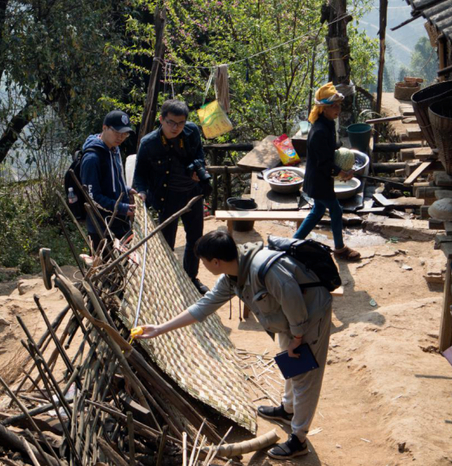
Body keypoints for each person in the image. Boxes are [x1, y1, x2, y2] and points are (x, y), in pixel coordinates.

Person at [136, 230, 332, 460]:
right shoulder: (232, 276)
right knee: (292, 364)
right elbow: (204, 306)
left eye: (203, 261)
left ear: (215, 262)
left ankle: (299, 439)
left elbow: (294, 301)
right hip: (289, 320)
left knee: (304, 377)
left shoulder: (264, 269)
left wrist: (297, 338)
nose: (203, 265)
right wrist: (160, 328)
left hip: (310, 315)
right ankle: (288, 410)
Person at [133, 100, 212, 295]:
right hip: (166, 197)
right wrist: (141, 192)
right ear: (161, 119)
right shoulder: (149, 144)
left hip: (193, 194)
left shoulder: (192, 132)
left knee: (195, 239)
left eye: (180, 123)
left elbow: (199, 154)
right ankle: (166, 282)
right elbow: (140, 175)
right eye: (171, 122)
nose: (176, 127)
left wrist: (198, 168)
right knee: (166, 243)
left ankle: (191, 279)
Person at [295, 82, 361, 261]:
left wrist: (344, 162)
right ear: (323, 108)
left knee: (317, 211)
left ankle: (293, 242)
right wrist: (341, 173)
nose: (338, 109)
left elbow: (330, 150)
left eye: (338, 105)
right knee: (336, 210)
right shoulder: (319, 131)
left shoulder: (328, 124)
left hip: (321, 177)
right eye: (334, 106)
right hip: (319, 179)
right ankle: (339, 248)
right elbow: (323, 162)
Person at [78, 110, 136, 251]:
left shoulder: (114, 150)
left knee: (127, 261)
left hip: (120, 223)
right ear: (104, 128)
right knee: (104, 263)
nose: (121, 137)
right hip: (102, 228)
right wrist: (122, 208)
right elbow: (92, 197)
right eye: (117, 132)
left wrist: (127, 190)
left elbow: (114, 181)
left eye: (125, 134)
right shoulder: (92, 158)